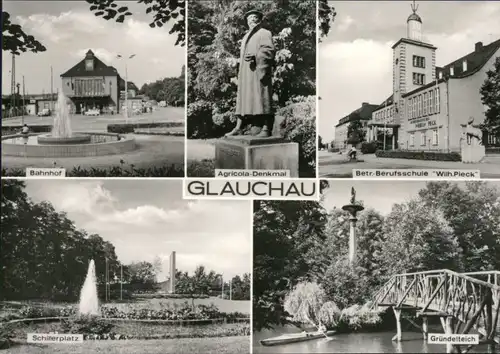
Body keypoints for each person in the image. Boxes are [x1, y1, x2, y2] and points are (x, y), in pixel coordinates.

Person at [225, 9, 275, 137]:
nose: (252, 19)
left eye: (254, 17)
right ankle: (239, 127)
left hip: (259, 70)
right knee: (243, 98)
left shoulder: (264, 33)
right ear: (247, 22)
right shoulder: (245, 37)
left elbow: (269, 50)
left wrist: (256, 56)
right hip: (246, 72)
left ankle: (266, 128)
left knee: (262, 96)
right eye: (249, 18)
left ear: (259, 19)